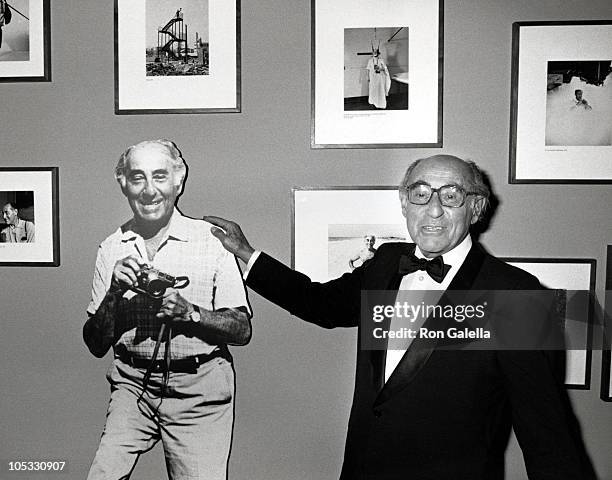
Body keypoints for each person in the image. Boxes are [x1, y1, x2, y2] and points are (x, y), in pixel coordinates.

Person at [204, 154, 595, 480]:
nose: (434, 210)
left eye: (452, 195)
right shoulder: (387, 263)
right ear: (404, 204)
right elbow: (320, 304)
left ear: (476, 208)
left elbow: (548, 436)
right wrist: (247, 254)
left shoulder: (517, 295)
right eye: (420, 194)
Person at [83, 139, 252, 480]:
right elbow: (95, 343)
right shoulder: (111, 247)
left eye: (159, 176)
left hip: (198, 388)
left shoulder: (210, 241)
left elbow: (242, 329)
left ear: (179, 180)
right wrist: (115, 293)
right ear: (124, 184)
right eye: (137, 178)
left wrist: (192, 313)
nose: (149, 191)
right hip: (133, 384)